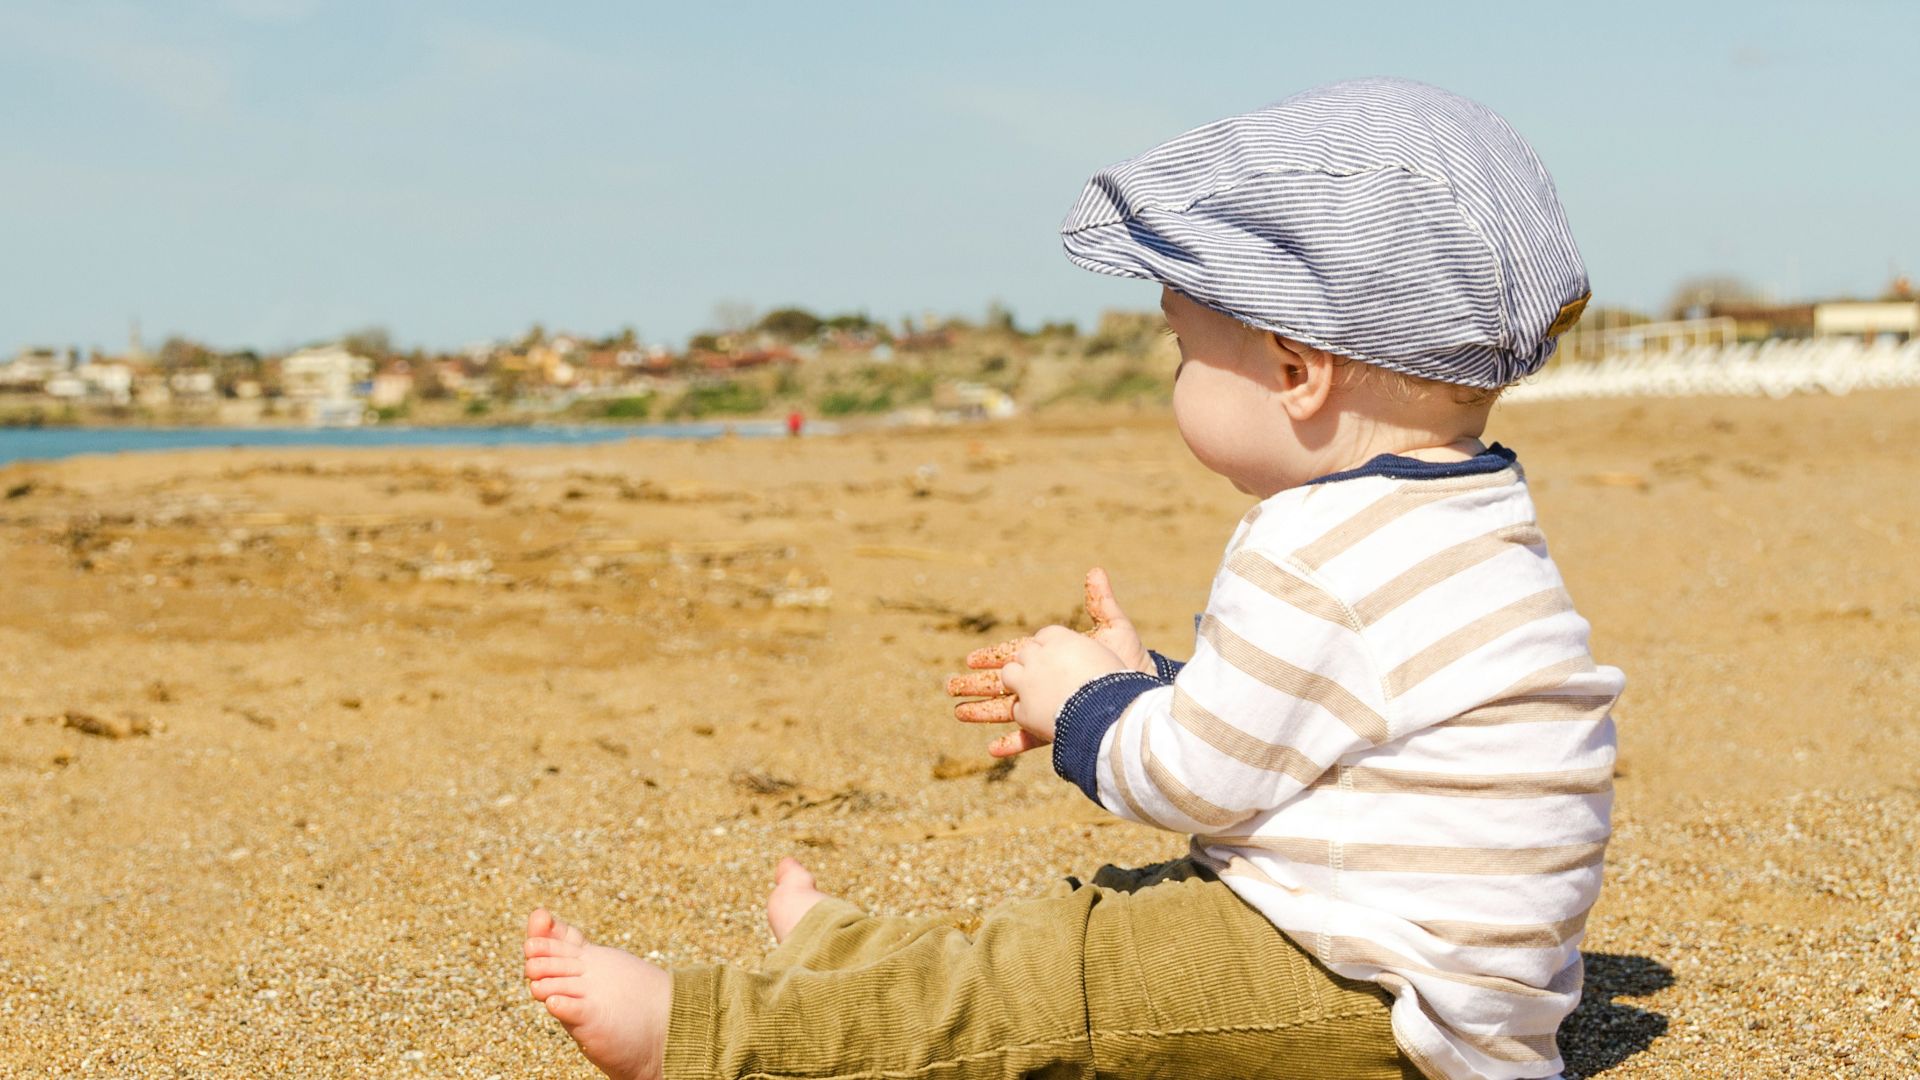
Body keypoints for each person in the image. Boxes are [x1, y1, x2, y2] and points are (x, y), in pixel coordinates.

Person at [521, 76, 1623, 1080]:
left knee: (1056, 986)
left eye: (1187, 346)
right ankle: (854, 954)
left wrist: (1083, 710)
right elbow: (1319, 726)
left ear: (1296, 372)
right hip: (1448, 982)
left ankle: (708, 1034)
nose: (1178, 373)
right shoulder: (1472, 510)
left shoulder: (1312, 542)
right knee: (1089, 928)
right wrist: (1154, 678)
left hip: (1356, 992)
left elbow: (1197, 781)